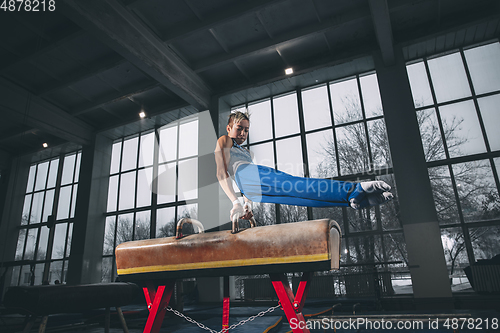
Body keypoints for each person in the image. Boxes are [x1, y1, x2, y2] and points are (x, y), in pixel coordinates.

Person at [215, 111, 393, 221]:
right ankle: (352, 192)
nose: (243, 133)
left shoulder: (247, 152)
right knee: (301, 192)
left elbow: (245, 185)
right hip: (250, 180)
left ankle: (352, 197)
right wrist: (235, 202)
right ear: (229, 128)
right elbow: (222, 173)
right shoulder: (225, 140)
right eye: (239, 128)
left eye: (246, 129)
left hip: (253, 183)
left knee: (300, 193)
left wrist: (247, 205)